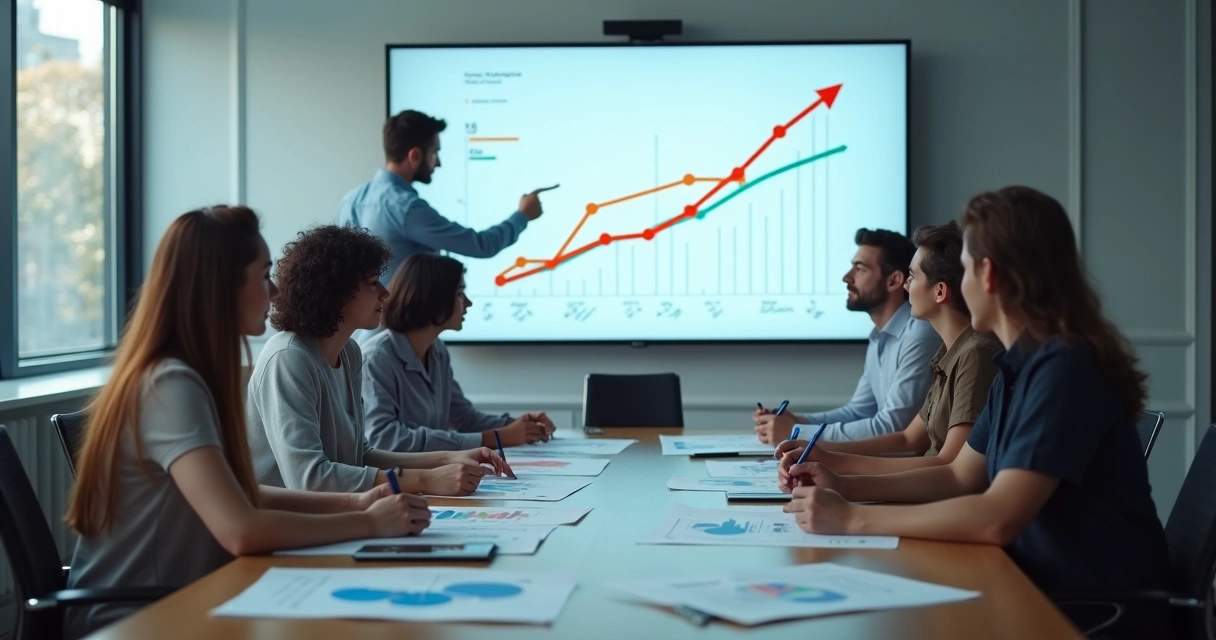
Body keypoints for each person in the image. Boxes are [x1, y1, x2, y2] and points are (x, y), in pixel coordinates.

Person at [782, 186, 1170, 637]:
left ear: (988, 274)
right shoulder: (1017, 364)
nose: (961, 288)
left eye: (964, 269)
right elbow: (958, 475)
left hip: (1090, 611)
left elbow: (998, 518)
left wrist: (850, 518)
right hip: (1036, 587)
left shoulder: (1065, 368)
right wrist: (843, 485)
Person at [62, 207, 431, 640]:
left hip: (188, 598)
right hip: (137, 620)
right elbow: (240, 530)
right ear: (220, 286)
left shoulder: (190, 375)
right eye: (263, 274)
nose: (275, 291)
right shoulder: (170, 385)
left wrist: (356, 503)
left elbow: (239, 493)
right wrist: (369, 523)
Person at [245, 224, 514, 495]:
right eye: (373, 283)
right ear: (337, 292)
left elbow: (361, 456)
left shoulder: (349, 352)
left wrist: (448, 458)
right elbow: (309, 479)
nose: (385, 293)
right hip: (291, 527)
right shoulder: (289, 358)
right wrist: (424, 480)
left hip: (335, 516)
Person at [774, 221, 1003, 479]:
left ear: (940, 291)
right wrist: (822, 453)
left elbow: (949, 466)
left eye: (913, 277)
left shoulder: (975, 352)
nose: (907, 285)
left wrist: (839, 476)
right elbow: (908, 438)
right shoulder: (947, 353)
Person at [754, 228, 941, 443]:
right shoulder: (879, 337)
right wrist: (798, 421)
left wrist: (795, 433)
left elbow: (894, 426)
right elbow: (859, 412)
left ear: (894, 281)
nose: (846, 277)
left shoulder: (920, 332)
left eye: (860, 269)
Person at [335, 109, 557, 286]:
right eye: (435, 152)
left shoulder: (349, 200)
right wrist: (523, 215)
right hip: (397, 335)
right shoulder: (405, 208)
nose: (438, 162)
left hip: (357, 338)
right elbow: (482, 245)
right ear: (415, 155)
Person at [362, 253, 557, 452]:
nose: (468, 303)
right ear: (433, 298)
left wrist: (519, 425)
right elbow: (383, 438)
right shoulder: (376, 358)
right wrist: (493, 438)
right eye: (460, 293)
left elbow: (464, 419)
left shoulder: (437, 350)